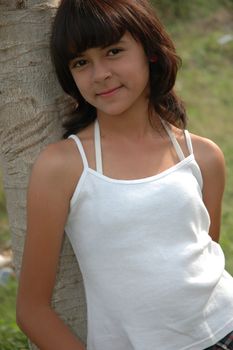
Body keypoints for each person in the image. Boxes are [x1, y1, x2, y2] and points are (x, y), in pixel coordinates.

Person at [16, 0, 233, 349]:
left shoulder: (202, 155)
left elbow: (203, 251)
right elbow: (31, 310)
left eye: (114, 51)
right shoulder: (63, 166)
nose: (100, 74)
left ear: (149, 51)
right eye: (81, 62)